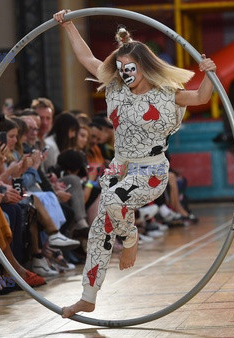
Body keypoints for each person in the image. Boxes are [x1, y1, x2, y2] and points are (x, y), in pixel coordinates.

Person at [53, 9, 216, 317]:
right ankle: (88, 296)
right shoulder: (115, 90)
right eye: (120, 67)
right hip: (120, 169)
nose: (124, 73)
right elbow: (87, 60)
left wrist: (208, 73)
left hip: (151, 172)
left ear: (143, 66)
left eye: (130, 67)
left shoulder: (167, 95)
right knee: (99, 230)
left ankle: (130, 236)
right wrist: (69, 25)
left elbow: (201, 98)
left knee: (113, 200)